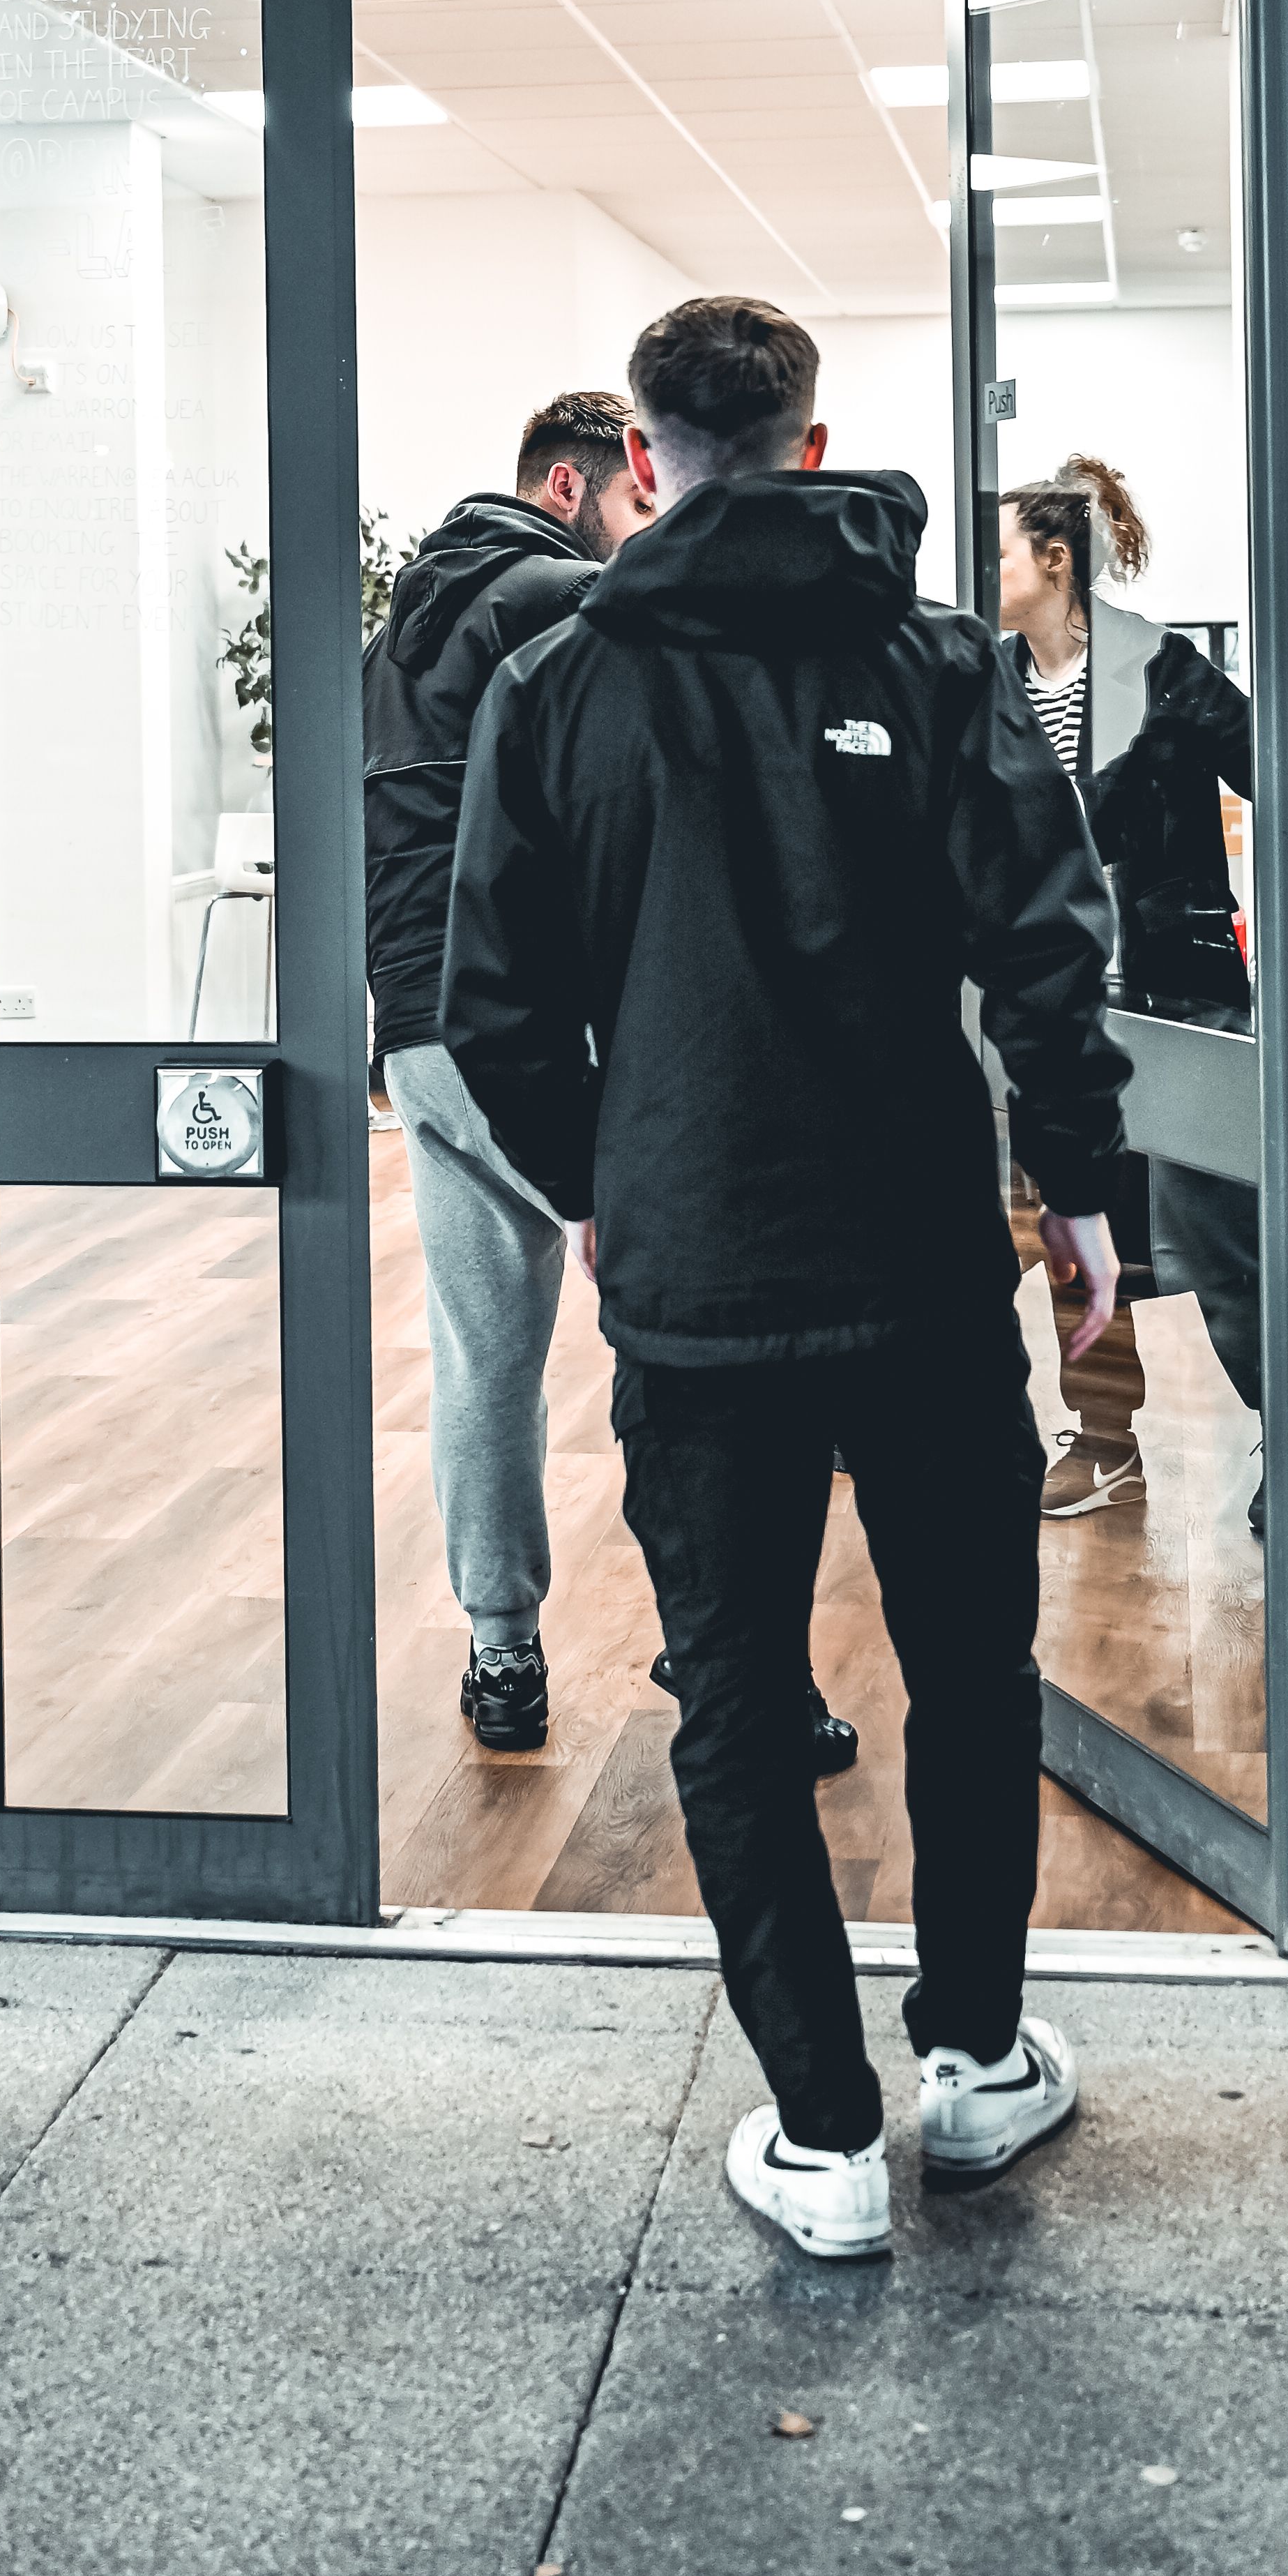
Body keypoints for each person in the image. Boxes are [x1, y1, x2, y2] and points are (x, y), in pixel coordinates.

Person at [443, 296, 1128, 2261]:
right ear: (816, 450)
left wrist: (601, 1185)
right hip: (919, 1267)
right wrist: (1075, 1188)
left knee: (734, 1703)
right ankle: (977, 2068)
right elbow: (1046, 950)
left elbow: (495, 1010)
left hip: (696, 1284)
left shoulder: (557, 682)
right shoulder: (939, 660)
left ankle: (822, 2141)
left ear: (644, 465)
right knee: (970, 1675)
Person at [365, 391, 861, 1779]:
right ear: (580, 485)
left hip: (421, 1033)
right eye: (634, 499)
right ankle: (729, 1656)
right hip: (550, 1026)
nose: (650, 521)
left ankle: (502, 1649)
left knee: (484, 1353)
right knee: (693, 1346)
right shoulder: (560, 597)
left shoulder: (399, 625)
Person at [996, 464, 1262, 1528]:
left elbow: (1286, 776)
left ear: (1055, 563)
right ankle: (1106, 1443)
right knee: (1075, 1228)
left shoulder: (1164, 669)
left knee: (1214, 1237)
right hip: (1052, 1005)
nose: (984, 574)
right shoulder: (986, 680)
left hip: (1177, 992)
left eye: (1001, 552)